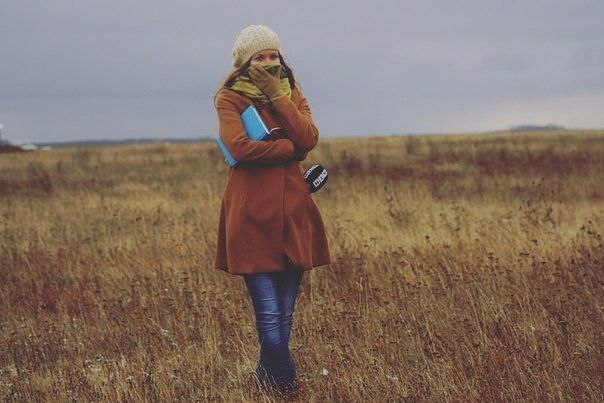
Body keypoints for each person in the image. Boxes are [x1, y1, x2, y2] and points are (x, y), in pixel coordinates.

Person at [213, 25, 332, 395]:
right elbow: (239, 148)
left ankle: (265, 381)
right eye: (259, 57)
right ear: (244, 63)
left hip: (293, 213)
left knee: (284, 313)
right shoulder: (230, 98)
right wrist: (289, 150)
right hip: (251, 215)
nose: (268, 63)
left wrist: (278, 97)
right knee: (268, 313)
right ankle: (288, 386)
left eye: (272, 55)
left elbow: (309, 137)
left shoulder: (291, 93)